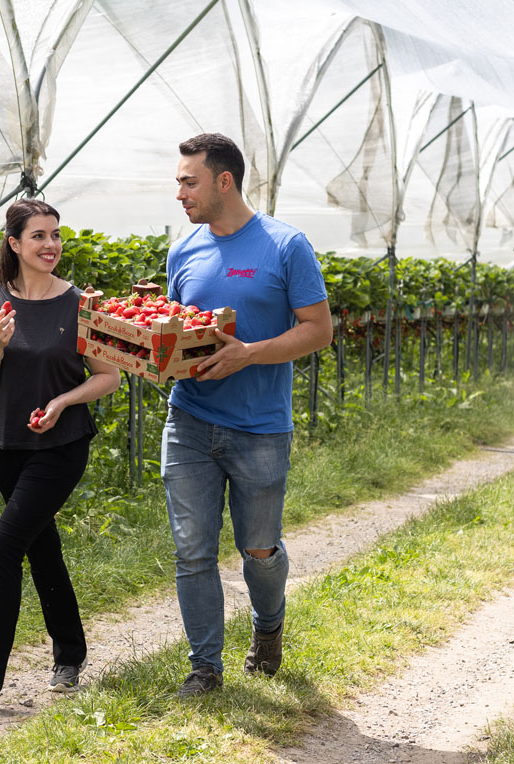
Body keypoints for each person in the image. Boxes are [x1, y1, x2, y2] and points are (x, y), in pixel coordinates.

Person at [162, 133, 333, 697]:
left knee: (258, 550)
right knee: (192, 549)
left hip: (259, 426)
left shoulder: (286, 246)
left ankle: (268, 625)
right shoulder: (183, 250)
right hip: (187, 420)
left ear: (223, 180)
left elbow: (318, 330)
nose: (180, 190)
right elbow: (180, 334)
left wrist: (248, 355)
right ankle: (204, 668)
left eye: (189, 180)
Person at [0, 198, 121, 713]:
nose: (51, 246)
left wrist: (64, 401)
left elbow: (108, 376)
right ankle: (71, 652)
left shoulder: (80, 305)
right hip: (7, 447)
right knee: (39, 546)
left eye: (56, 235)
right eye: (39, 236)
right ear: (15, 244)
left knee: (6, 545)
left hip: (61, 447)